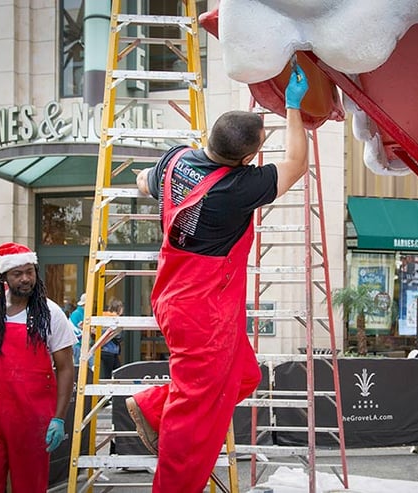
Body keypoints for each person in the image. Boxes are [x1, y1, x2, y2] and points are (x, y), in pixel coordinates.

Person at [124, 63, 309, 492]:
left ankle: (154, 407)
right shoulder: (235, 190)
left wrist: (142, 182)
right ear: (247, 161)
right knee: (194, 427)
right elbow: (296, 163)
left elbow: (142, 181)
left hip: (175, 297)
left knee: (244, 377)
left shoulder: (175, 160)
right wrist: (293, 106)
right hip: (203, 316)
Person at [0, 242, 77, 493]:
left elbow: (65, 368)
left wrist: (59, 418)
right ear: (3, 278)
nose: (25, 279)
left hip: (33, 422)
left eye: (29, 272)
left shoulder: (51, 313)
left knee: (29, 486)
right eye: (17, 273)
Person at [99, 298, 123, 380]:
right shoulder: (115, 319)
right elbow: (118, 336)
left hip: (105, 350)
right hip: (110, 350)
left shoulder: (104, 317)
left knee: (112, 372)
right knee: (114, 373)